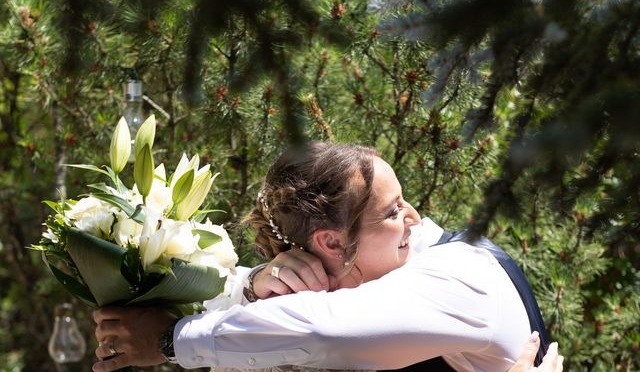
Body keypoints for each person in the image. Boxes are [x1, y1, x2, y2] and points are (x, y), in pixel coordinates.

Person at [92, 142, 558, 372]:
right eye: (393, 210)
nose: (415, 218)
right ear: (331, 243)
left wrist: (172, 341)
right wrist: (255, 285)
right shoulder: (372, 279)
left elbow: (325, 327)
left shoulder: (456, 277)